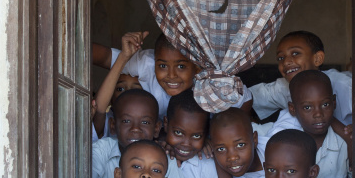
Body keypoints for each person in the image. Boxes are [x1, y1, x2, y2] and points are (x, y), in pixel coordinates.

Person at [93, 32, 253, 119]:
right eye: (162, 66)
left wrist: (214, 135)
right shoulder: (147, 63)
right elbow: (104, 57)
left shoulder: (213, 82)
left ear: (197, 67)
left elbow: (245, 99)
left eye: (181, 66)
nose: (171, 75)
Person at [271, 69, 352, 178]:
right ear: (292, 109)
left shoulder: (345, 144)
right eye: (307, 107)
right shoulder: (283, 143)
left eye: (325, 104)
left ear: (334, 102)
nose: (318, 114)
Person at [250, 30, 352, 130]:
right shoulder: (284, 86)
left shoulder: (345, 85)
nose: (286, 62)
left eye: (295, 53)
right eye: (281, 58)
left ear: (317, 59)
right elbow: (247, 98)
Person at [92, 89, 161, 178]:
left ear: (157, 128)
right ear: (113, 126)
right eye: (126, 121)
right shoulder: (102, 150)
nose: (135, 128)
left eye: (145, 122)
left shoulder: (165, 158)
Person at [92, 31, 147, 141]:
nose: (127, 93)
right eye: (120, 89)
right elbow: (99, 109)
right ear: (110, 97)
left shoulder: (149, 122)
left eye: (136, 89)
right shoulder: (107, 122)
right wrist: (123, 57)